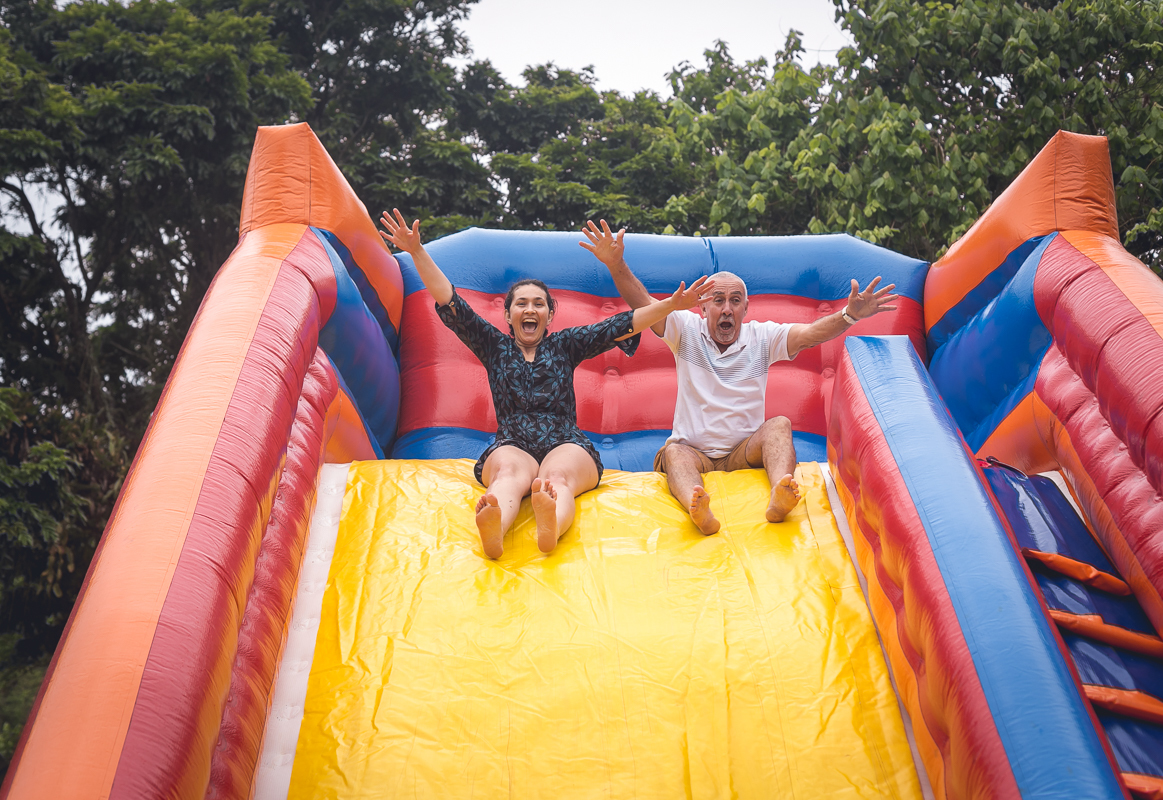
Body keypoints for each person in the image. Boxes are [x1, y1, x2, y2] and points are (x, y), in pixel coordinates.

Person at [380, 209, 716, 558]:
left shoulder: (564, 344)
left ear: (549, 315)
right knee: (508, 473)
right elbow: (450, 300)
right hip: (512, 441)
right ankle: (495, 524)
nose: (530, 309)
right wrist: (418, 251)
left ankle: (550, 524)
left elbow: (623, 325)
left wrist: (671, 305)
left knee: (558, 477)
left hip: (564, 440)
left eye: (538, 304)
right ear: (508, 315)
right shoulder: (494, 346)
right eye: (521, 303)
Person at [580, 219, 898, 535]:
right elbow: (642, 303)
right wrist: (616, 263)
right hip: (695, 451)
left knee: (780, 425)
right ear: (703, 309)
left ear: (747, 308)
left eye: (735, 301)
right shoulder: (685, 331)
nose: (727, 309)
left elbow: (811, 334)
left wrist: (849, 315)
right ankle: (697, 504)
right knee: (673, 452)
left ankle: (781, 493)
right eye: (718, 301)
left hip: (742, 452)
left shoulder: (762, 337)